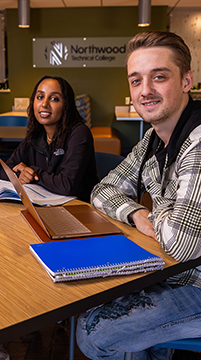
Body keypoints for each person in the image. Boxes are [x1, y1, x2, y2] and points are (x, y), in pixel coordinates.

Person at [76, 31, 201, 360]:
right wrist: (136, 213)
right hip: (169, 269)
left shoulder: (198, 141)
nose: (145, 91)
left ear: (187, 80)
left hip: (196, 282)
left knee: (94, 334)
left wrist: (157, 212)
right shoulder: (152, 141)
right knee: (87, 304)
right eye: (136, 81)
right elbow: (101, 191)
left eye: (159, 77)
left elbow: (182, 243)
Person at [0, 75, 98, 202]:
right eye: (40, 97)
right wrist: (21, 175)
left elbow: (67, 185)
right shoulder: (35, 135)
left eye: (54, 99)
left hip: (79, 209)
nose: (44, 104)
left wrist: (34, 172)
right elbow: (3, 172)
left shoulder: (79, 133)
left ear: (66, 106)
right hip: (44, 205)